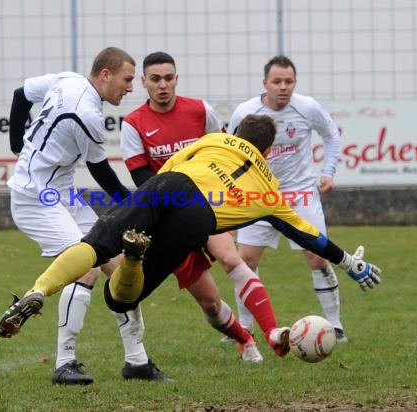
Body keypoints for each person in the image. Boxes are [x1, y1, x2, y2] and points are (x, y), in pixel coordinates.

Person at [0, 114, 382, 365]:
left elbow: (169, 168)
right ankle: (133, 260)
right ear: (267, 152)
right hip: (199, 218)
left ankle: (38, 289)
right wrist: (350, 262)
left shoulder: (212, 140)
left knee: (97, 245)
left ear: (235, 135)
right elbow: (308, 235)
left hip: (171, 186)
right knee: (119, 297)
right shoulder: (270, 192)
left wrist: (156, 204)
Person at [2, 46, 170, 385]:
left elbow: (22, 94)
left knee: (120, 267)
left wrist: (17, 143)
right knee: (90, 265)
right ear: (105, 74)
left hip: (58, 193)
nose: (130, 87)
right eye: (126, 79)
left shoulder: (67, 79)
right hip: (35, 198)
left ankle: (136, 361)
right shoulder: (89, 115)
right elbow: (101, 172)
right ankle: (64, 362)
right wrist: (140, 206)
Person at [120, 51, 291, 362]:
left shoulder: (200, 111)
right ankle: (244, 338)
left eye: (168, 78)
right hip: (166, 219)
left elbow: (228, 150)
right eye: (155, 79)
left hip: (207, 207)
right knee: (210, 305)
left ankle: (273, 333)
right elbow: (141, 177)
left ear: (176, 79)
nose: (163, 85)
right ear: (144, 82)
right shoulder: (133, 124)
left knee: (231, 259)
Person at [227, 55, 347, 342]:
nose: (283, 87)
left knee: (318, 257)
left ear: (295, 82)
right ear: (264, 83)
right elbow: (229, 152)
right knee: (245, 261)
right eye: (277, 81)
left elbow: (332, 136)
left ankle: (335, 325)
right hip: (258, 196)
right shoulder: (246, 112)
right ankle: (245, 327)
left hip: (300, 194)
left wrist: (328, 172)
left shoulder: (307, 107)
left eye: (289, 81)